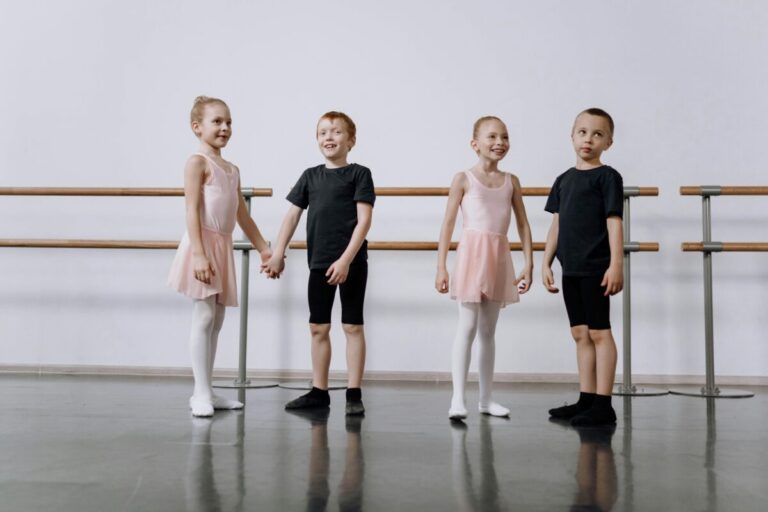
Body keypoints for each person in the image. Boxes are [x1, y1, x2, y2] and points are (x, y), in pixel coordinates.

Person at [263, 111, 374, 416]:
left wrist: (345, 260)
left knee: (352, 325)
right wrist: (277, 252)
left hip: (352, 263)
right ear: (316, 139)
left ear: (350, 140)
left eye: (337, 132)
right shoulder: (310, 176)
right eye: (323, 132)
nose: (329, 137)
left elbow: (363, 222)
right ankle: (319, 391)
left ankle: (353, 393)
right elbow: (292, 216)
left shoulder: (359, 174)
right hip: (318, 263)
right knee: (318, 326)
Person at [168, 96, 271, 417]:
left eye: (228, 122)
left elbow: (243, 216)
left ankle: (208, 389)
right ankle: (199, 392)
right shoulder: (196, 162)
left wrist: (265, 249)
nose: (225, 127)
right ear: (197, 127)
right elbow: (191, 209)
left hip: (222, 246)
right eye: (217, 122)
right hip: (202, 243)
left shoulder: (231, 169)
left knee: (218, 320)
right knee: (204, 316)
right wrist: (198, 254)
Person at [436, 116, 533, 421]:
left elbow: (523, 224)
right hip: (471, 255)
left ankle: (486, 399)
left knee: (489, 331)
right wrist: (441, 266)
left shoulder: (511, 181)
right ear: (474, 143)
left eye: (504, 137)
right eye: (492, 137)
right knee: (466, 327)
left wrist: (529, 263)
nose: (499, 143)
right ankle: (457, 399)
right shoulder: (463, 178)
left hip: (499, 254)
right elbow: (448, 224)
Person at [542, 108, 624, 427]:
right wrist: (546, 262)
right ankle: (586, 398)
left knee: (599, 333)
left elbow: (614, 222)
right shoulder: (563, 180)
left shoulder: (608, 177)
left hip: (596, 267)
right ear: (572, 136)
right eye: (583, 132)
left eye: (597, 134)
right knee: (580, 334)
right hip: (570, 268)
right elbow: (556, 225)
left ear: (609, 142)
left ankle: (603, 404)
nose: (588, 139)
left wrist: (616, 263)